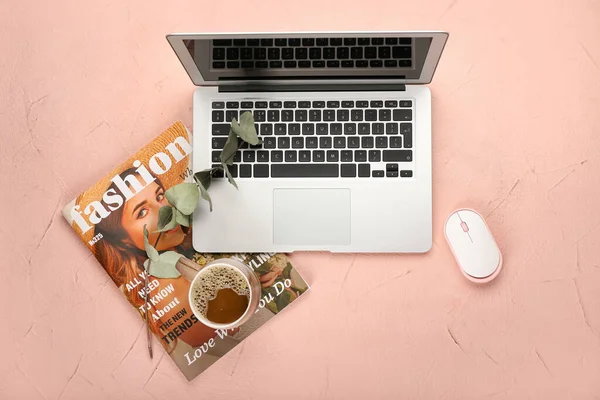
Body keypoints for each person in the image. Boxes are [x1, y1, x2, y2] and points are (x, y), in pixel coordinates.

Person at [94, 167, 218, 352]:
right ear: (124, 240)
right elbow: (231, 335)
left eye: (160, 196)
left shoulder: (183, 252)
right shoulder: (168, 284)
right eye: (142, 212)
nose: (164, 209)